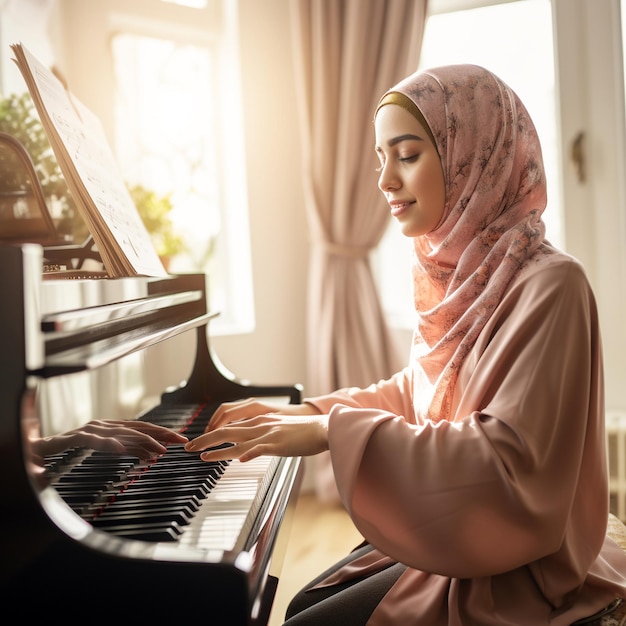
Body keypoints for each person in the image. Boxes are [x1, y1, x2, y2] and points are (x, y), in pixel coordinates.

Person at [184, 64, 626, 625]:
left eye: (408, 154)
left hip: (517, 564)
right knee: (304, 602)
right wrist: (307, 414)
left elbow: (507, 466)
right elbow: (418, 395)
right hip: (468, 538)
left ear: (476, 157)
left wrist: (330, 432)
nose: (385, 181)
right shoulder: (456, 272)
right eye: (380, 158)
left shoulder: (553, 284)